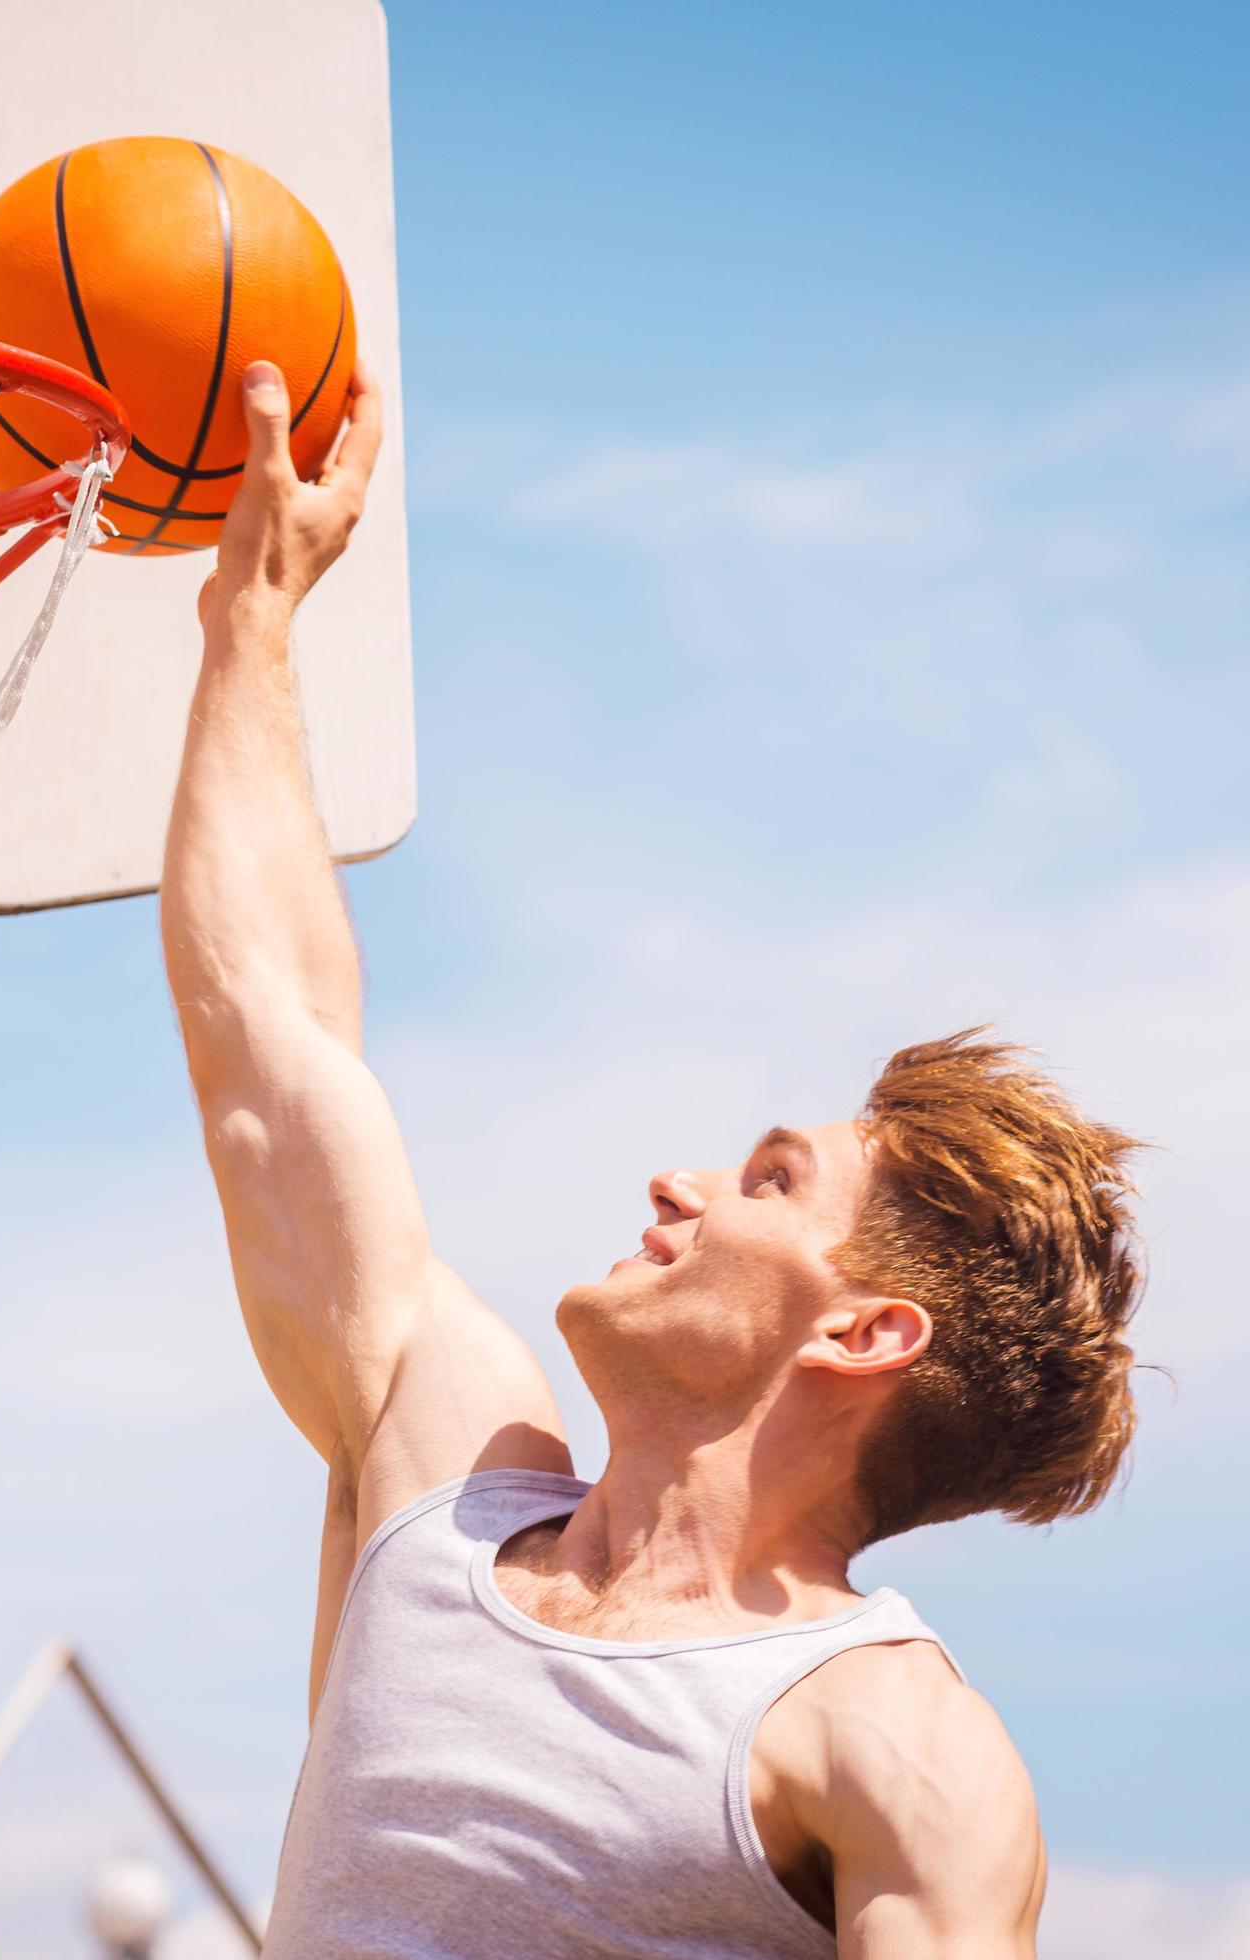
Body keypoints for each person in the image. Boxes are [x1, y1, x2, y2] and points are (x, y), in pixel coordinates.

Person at [160, 357, 1147, 1959]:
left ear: (865, 1329)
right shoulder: (445, 1473)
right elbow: (269, 1034)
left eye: (769, 1181)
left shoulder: (889, 1746)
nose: (675, 1184)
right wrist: (250, 622)